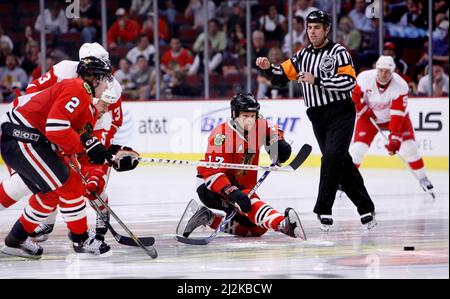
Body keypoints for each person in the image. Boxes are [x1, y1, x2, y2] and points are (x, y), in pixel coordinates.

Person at [256, 10, 376, 231]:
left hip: (340, 111)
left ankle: (323, 208)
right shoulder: (302, 56)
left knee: (331, 157)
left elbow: (349, 83)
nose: (312, 32)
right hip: (317, 115)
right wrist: (267, 68)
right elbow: (282, 75)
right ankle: (366, 207)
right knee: (341, 161)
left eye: (317, 27)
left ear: (327, 29)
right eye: (309, 28)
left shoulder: (339, 52)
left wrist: (317, 80)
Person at [0, 43, 129, 240]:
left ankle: (22, 236)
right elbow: (41, 103)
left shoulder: (105, 95)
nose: (107, 82)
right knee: (35, 183)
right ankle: (75, 237)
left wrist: (97, 165)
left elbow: (99, 133)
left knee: (57, 186)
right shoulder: (70, 78)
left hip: (43, 132)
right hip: (27, 131)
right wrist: (57, 138)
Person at [182, 93, 304, 239]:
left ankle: (209, 218)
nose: (250, 120)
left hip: (241, 185)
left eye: (253, 116)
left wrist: (278, 146)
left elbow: (273, 132)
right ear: (234, 114)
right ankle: (282, 224)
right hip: (212, 187)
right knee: (249, 202)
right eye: (245, 116)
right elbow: (212, 174)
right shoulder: (221, 136)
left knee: (257, 230)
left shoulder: (260, 125)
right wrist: (232, 192)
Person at [349, 55, 434, 194]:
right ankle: (346, 182)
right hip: (369, 117)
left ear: (393, 71)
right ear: (377, 69)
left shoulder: (400, 85)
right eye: (381, 70)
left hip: (393, 118)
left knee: (410, 147)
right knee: (358, 149)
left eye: (387, 71)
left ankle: (423, 178)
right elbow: (354, 95)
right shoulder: (365, 78)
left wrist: (394, 138)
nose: (384, 74)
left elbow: (397, 114)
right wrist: (362, 109)